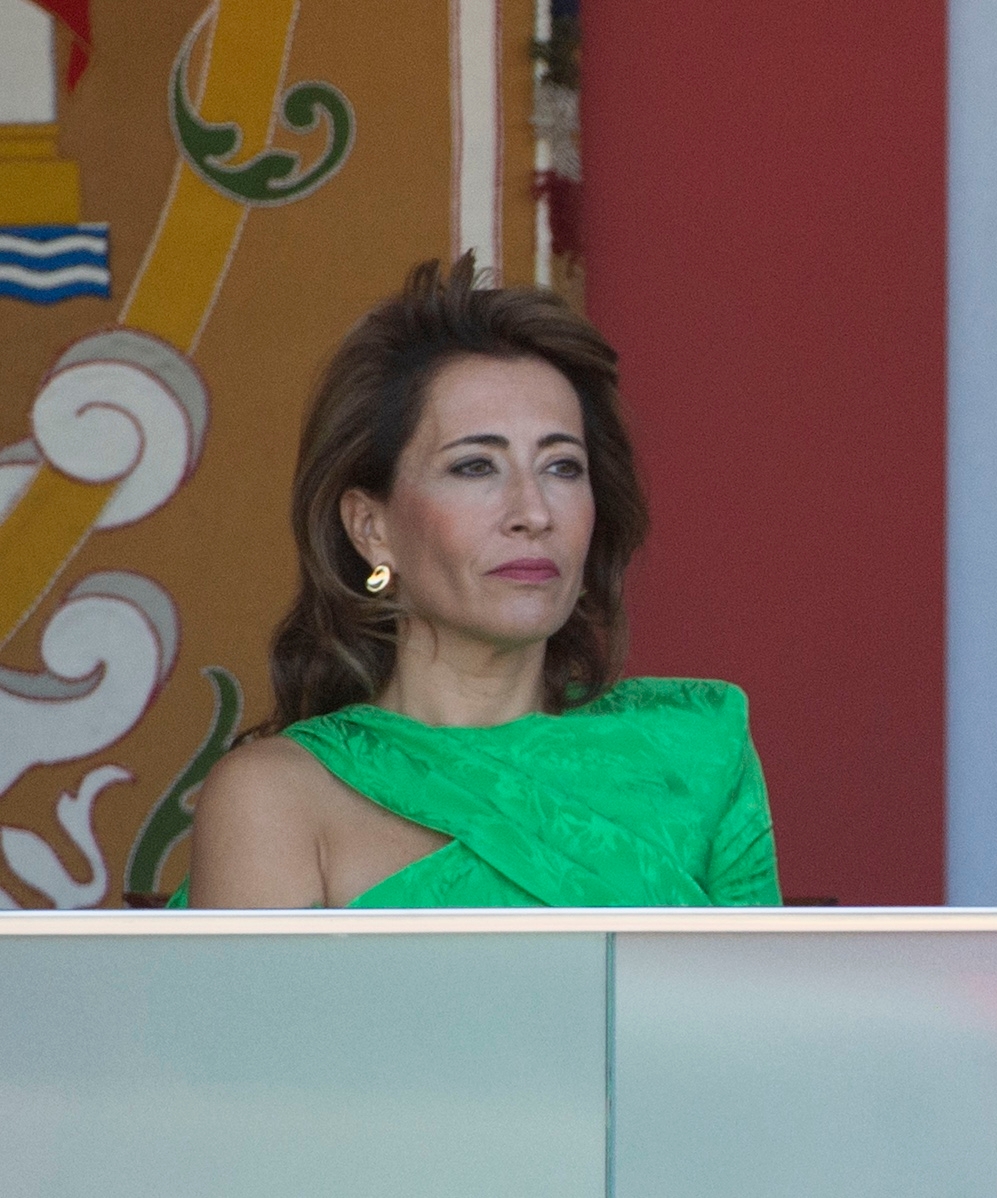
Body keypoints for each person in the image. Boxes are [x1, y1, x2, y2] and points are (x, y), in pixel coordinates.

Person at [180, 256, 780, 908]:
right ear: (370, 527)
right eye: (474, 467)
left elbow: (756, 1008)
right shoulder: (277, 795)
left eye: (562, 467)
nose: (534, 513)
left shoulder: (694, 756)